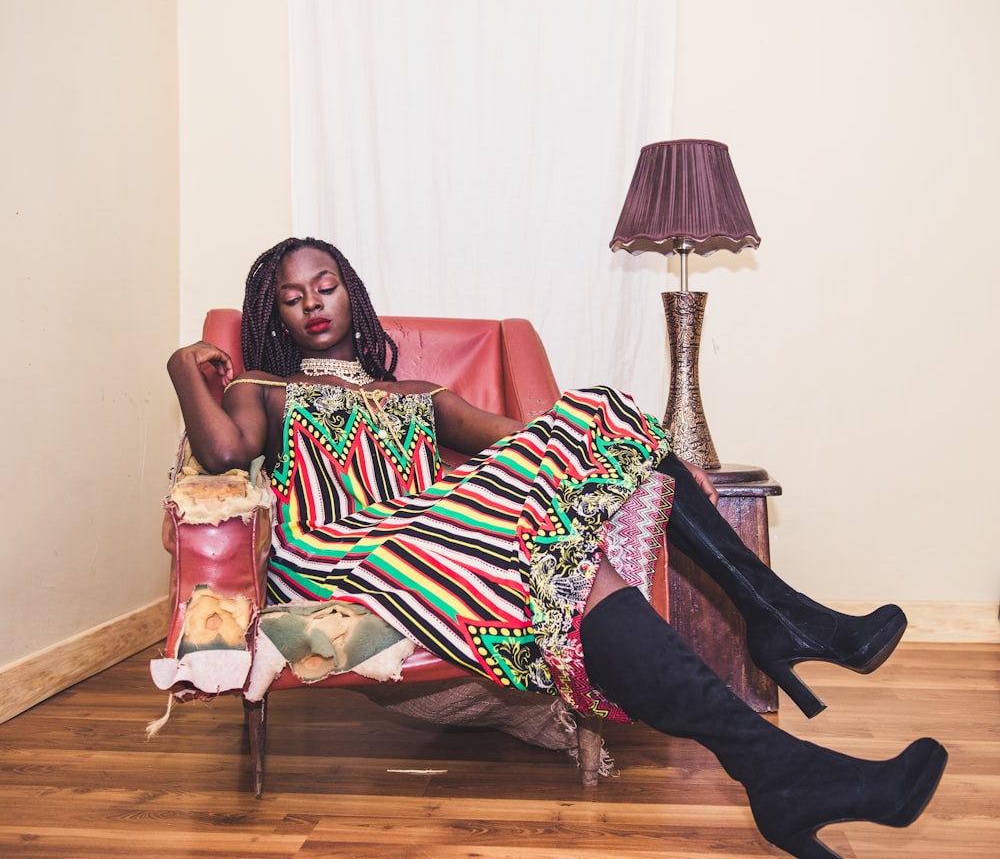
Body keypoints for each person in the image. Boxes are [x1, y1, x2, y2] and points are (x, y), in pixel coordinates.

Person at [168, 236, 946, 859]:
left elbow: (527, 437)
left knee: (597, 420)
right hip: (343, 554)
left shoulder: (414, 398)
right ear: (274, 315)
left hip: (438, 536)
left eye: (325, 284)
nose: (312, 305)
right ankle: (786, 638)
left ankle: (777, 746)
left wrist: (637, 459)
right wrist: (185, 365)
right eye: (292, 296)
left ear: (353, 291)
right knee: (576, 502)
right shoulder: (264, 386)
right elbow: (220, 450)